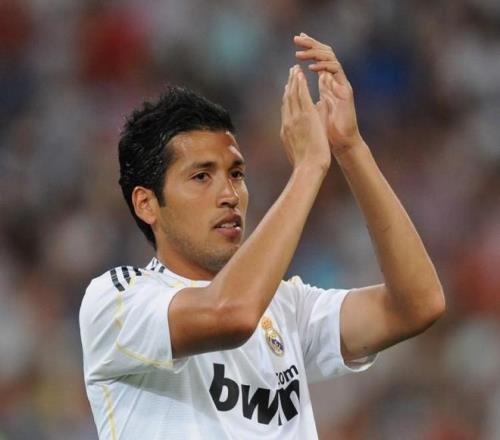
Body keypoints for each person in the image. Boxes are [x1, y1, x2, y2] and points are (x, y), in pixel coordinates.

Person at [79, 33, 445, 439]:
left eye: (236, 174)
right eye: (201, 176)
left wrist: (349, 147)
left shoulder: (285, 306)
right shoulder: (116, 302)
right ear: (147, 204)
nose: (229, 194)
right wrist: (308, 167)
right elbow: (231, 313)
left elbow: (418, 304)